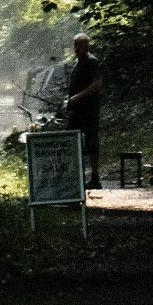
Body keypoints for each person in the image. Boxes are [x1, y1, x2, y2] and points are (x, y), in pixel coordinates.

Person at [63, 32, 104, 189]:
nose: (78, 48)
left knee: (91, 140)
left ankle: (94, 177)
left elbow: (97, 85)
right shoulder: (78, 62)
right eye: (76, 45)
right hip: (77, 110)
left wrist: (76, 98)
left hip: (89, 109)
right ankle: (75, 176)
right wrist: (68, 101)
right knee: (70, 139)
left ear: (87, 46)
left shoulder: (91, 62)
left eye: (82, 45)